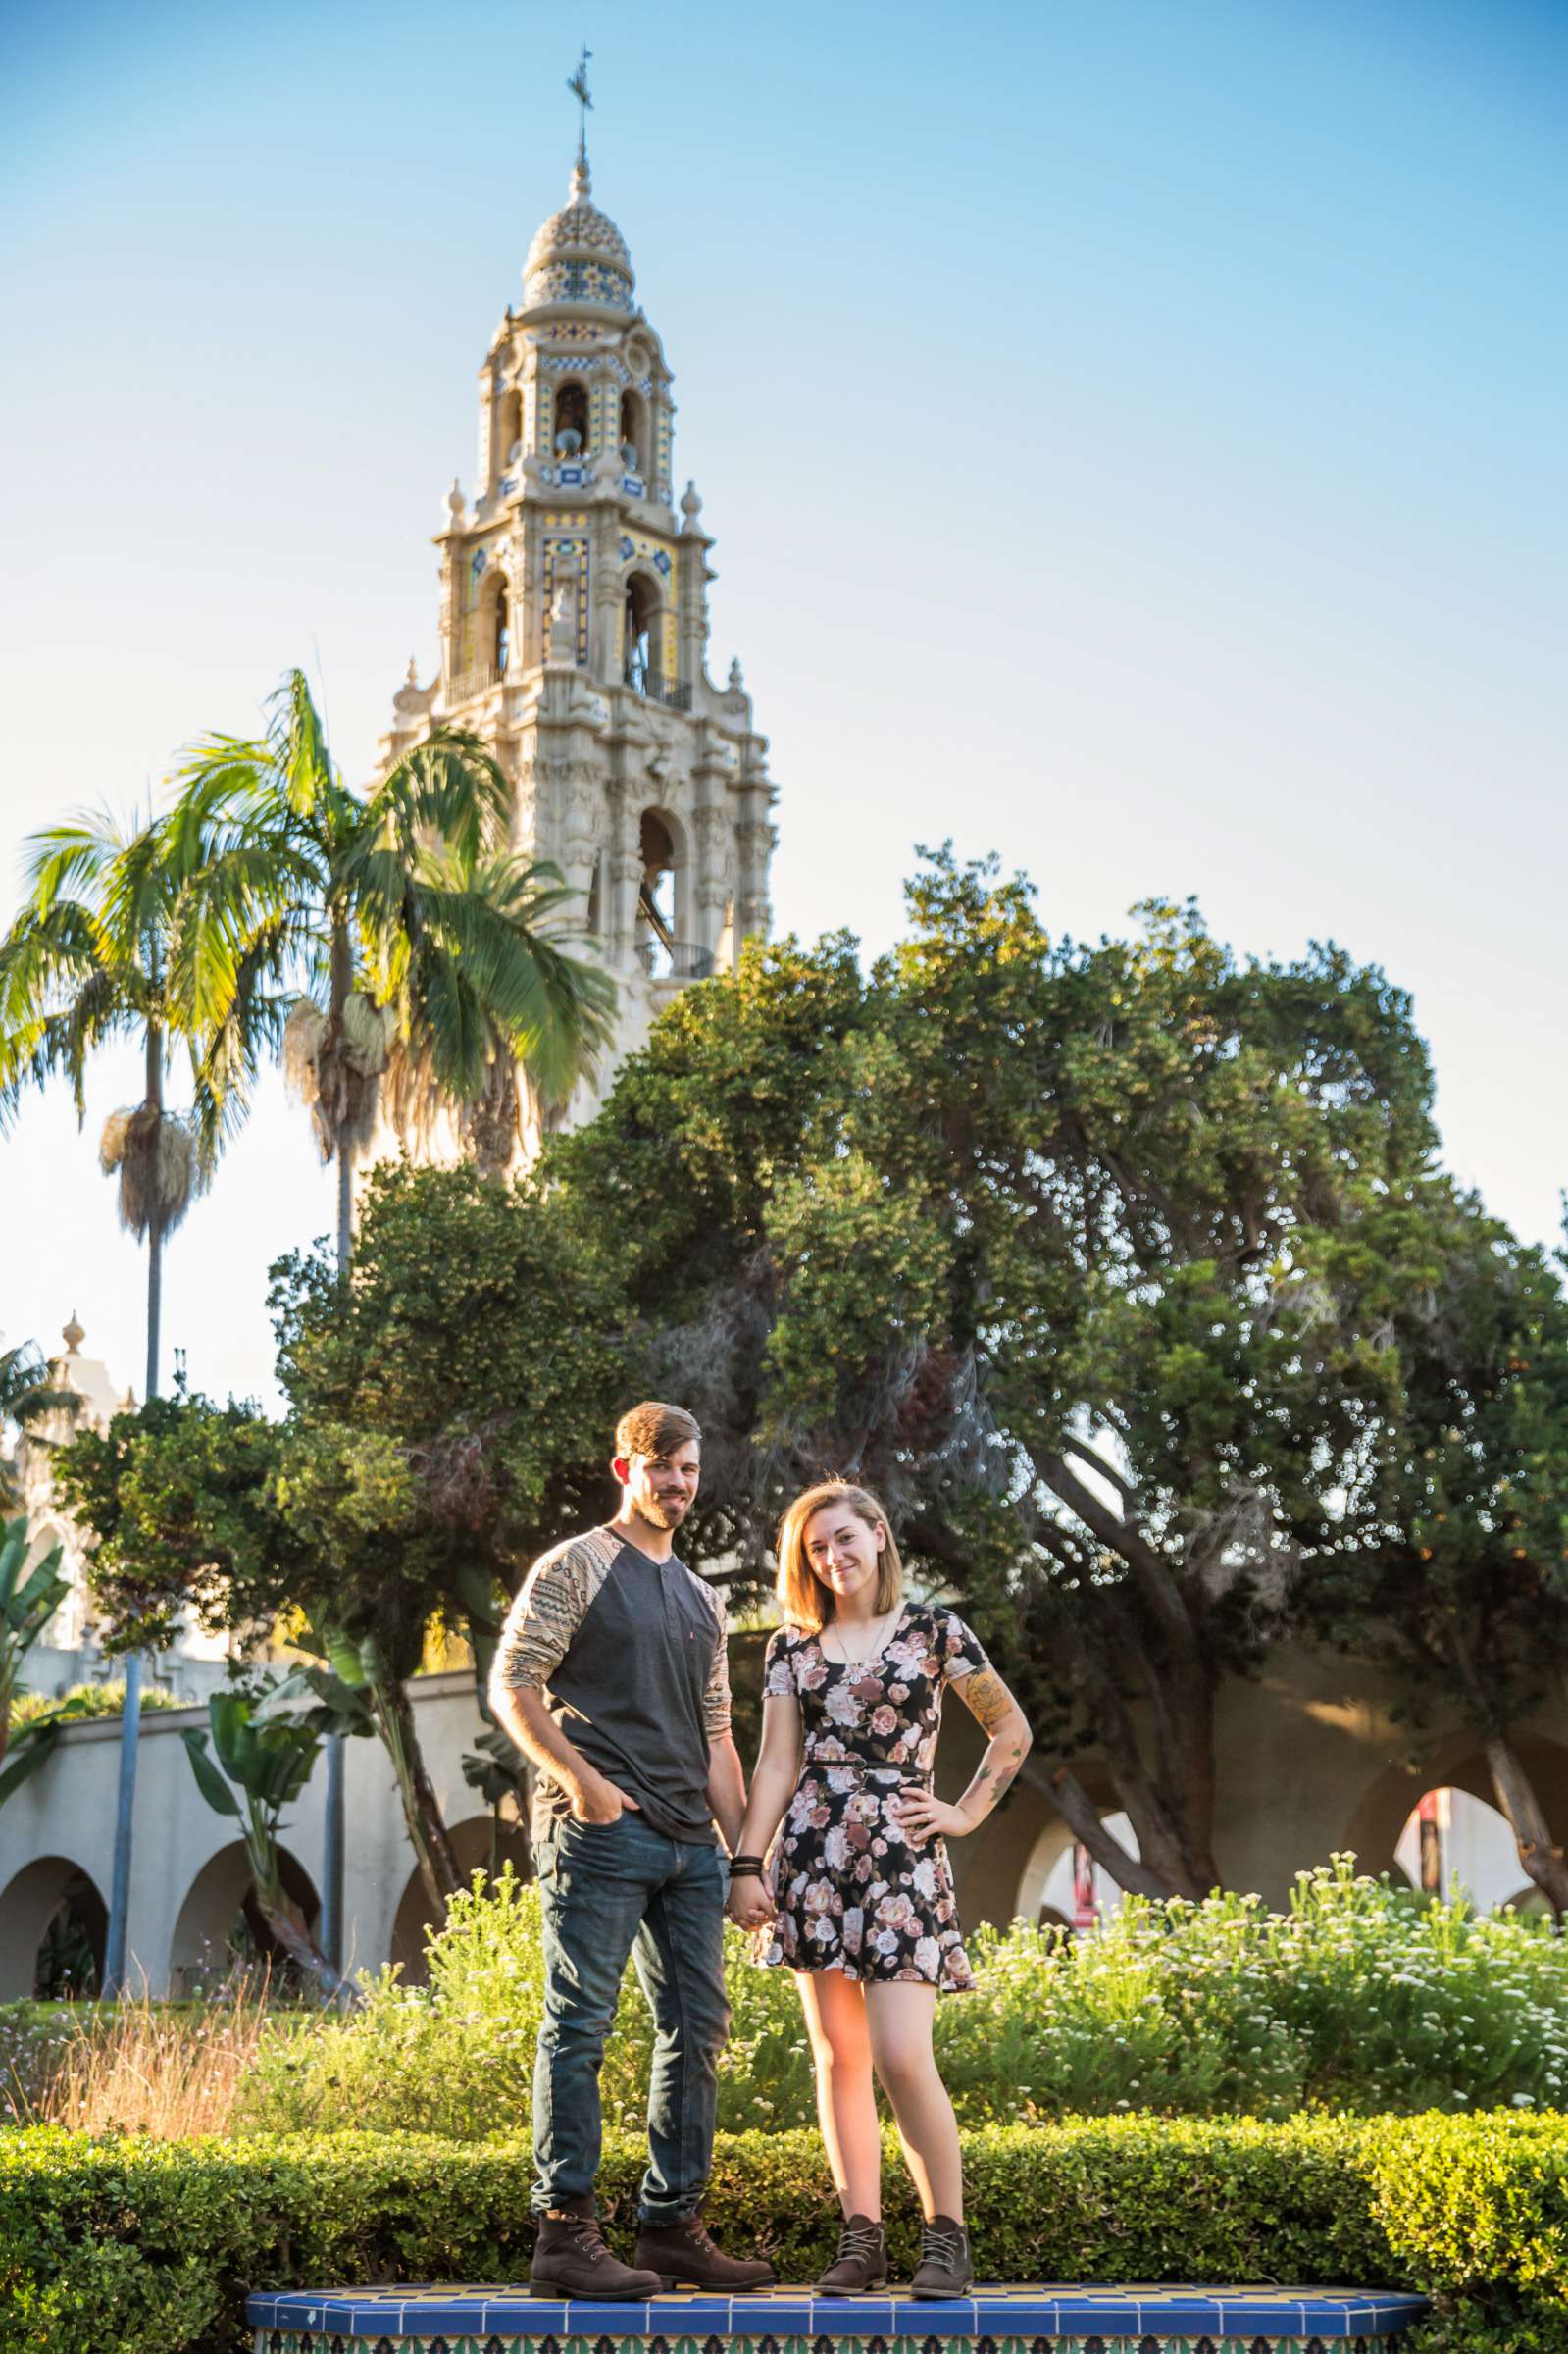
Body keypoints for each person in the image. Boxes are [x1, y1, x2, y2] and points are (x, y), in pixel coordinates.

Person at [489, 1401, 775, 2300]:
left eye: (689, 1470)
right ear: (625, 1470)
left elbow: (719, 1736)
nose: (677, 1485)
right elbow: (515, 1683)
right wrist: (582, 1785)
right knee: (579, 2027)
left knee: (697, 2032)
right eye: (662, 1468)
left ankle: (671, 2226)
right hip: (603, 1836)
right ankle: (565, 2235)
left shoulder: (702, 1598)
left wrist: (743, 1861)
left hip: (692, 1847)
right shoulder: (575, 1566)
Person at [726, 1479, 1032, 2299]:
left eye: (843, 1540)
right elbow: (777, 1765)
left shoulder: (936, 1631)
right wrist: (747, 1864)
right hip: (813, 1857)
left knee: (901, 2054)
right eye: (815, 1548)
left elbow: (1011, 1730)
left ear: (879, 1536)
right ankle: (861, 2240)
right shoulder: (790, 1646)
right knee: (838, 2058)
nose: (833, 1558)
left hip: (901, 1858)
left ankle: (945, 2237)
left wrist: (963, 1814)